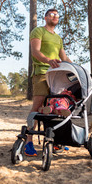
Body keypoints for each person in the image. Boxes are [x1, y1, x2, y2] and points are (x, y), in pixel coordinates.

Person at [24, 8, 72, 156]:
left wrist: (77, 68)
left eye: (57, 15)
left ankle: (56, 141)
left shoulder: (58, 38)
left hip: (57, 77)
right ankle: (28, 142)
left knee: (57, 106)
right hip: (42, 73)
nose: (54, 17)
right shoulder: (39, 31)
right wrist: (48, 61)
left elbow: (63, 57)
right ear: (45, 18)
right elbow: (35, 51)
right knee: (38, 106)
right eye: (51, 15)